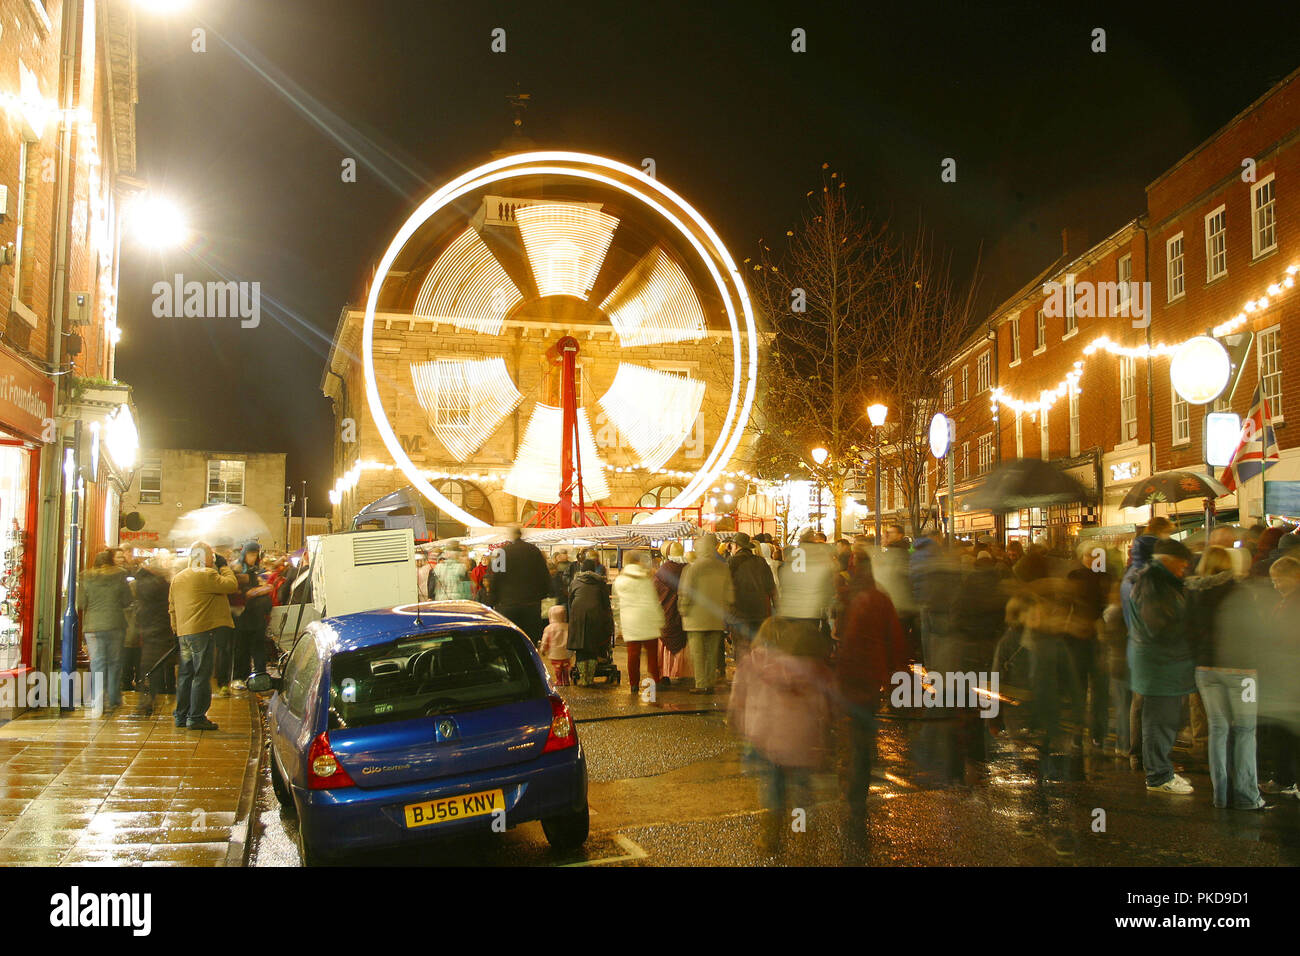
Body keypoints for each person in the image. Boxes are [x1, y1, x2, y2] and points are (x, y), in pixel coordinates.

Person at [729, 611, 836, 853]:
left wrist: (739, 725)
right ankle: (806, 838)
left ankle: (771, 837)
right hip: (803, 744)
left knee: (774, 789)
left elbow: (739, 699)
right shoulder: (809, 669)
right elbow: (825, 705)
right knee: (802, 790)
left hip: (770, 744)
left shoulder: (752, 664)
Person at [1187, 546, 1266, 810]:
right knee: (1245, 730)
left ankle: (1220, 795)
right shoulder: (1240, 591)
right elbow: (1255, 629)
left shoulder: (1192, 593)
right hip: (1242, 671)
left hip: (1205, 670)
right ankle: (1247, 796)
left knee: (1218, 730)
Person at [834, 552, 908, 834]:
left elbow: (841, 638)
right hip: (869, 678)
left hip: (848, 675)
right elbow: (895, 642)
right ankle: (857, 796)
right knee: (862, 739)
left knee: (848, 737)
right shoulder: (880, 599)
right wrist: (895, 682)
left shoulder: (847, 598)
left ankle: (850, 790)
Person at [1126, 538, 1196, 793]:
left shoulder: (1159, 581)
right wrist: (1190, 629)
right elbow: (1158, 626)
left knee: (1162, 720)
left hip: (1163, 665)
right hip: (1159, 665)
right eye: (1182, 560)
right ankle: (1158, 777)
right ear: (1168, 560)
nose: (1186, 565)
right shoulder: (1154, 584)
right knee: (1159, 721)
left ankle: (1160, 772)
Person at [168, 542, 239, 731]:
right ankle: (197, 717)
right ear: (206, 558)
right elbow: (232, 585)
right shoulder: (206, 574)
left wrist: (177, 629)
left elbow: (172, 607)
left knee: (185, 674)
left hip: (184, 633)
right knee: (201, 674)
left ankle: (181, 715)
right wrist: (224, 566)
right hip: (202, 631)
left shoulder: (178, 577)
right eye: (212, 557)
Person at [1260, 557, 1300, 799]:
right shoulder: (1284, 602)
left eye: (1280, 580)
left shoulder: (1292, 604)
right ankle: (1285, 777)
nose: (1276, 585)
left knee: (1287, 732)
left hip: (1289, 674)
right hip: (1284, 674)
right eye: (1273, 581)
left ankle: (1286, 779)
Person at [76, 549, 135, 714]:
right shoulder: (120, 576)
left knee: (98, 662)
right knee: (114, 662)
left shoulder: (86, 577)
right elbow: (127, 600)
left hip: (93, 626)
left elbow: (81, 603)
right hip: (115, 624)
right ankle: (114, 698)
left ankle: (98, 699)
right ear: (111, 562)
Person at [678, 533, 735, 694]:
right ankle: (710, 682)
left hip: (695, 618)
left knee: (697, 653)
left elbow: (686, 592)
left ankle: (701, 683)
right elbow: (729, 594)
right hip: (716, 618)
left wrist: (683, 609)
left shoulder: (693, 568)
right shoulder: (723, 568)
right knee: (711, 653)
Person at [775, 529, 837, 662]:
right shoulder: (819, 554)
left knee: (793, 644)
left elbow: (784, 579)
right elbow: (827, 581)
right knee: (807, 645)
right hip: (810, 608)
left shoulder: (793, 554)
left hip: (789, 608)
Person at [612, 550, 666, 693]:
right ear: (637, 562)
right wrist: (660, 619)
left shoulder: (619, 580)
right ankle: (656, 680)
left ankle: (634, 684)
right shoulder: (647, 578)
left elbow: (616, 604)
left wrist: (618, 621)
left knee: (633, 654)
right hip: (648, 619)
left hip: (630, 621)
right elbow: (653, 600)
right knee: (652, 654)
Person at [488, 527, 553, 645]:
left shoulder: (503, 552)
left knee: (509, 640)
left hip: (508, 604)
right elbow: (544, 575)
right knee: (530, 640)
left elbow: (495, 577)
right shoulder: (533, 550)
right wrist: (544, 595)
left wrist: (493, 600)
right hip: (531, 604)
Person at [133, 555, 176, 718]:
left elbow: (143, 590)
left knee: (149, 667)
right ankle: (148, 702)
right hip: (158, 629)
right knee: (153, 667)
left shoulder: (153, 584)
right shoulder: (163, 583)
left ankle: (146, 705)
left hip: (154, 630)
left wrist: (142, 571)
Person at [727, 532, 775, 664]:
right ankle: (757, 678)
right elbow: (771, 588)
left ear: (735, 546)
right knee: (757, 648)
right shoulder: (761, 562)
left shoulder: (731, 562)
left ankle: (744, 678)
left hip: (738, 613)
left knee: (742, 649)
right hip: (759, 612)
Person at [231, 541, 272, 690]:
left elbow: (268, 587)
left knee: (258, 650)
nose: (253, 557)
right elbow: (245, 593)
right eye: (250, 553)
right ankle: (239, 677)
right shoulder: (237, 570)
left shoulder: (258, 571)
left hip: (258, 618)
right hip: (242, 617)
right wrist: (258, 591)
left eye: (255, 554)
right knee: (241, 650)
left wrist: (259, 590)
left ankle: (259, 678)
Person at [567, 559, 614, 685]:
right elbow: (606, 604)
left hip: (578, 616)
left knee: (581, 649)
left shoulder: (575, 582)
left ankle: (583, 678)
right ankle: (590, 678)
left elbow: (570, 601)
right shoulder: (600, 583)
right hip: (596, 616)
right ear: (594, 569)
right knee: (593, 648)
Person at [654, 541, 691, 685]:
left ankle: (665, 673)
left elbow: (655, 592)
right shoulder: (688, 569)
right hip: (684, 613)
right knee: (683, 640)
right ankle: (682, 671)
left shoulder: (663, 570)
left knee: (664, 642)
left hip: (666, 613)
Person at [539, 604, 573, 686]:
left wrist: (543, 650)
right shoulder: (568, 627)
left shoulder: (548, 628)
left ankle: (559, 681)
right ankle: (566, 680)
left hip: (555, 653)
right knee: (565, 667)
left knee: (557, 668)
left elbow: (545, 641)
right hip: (566, 652)